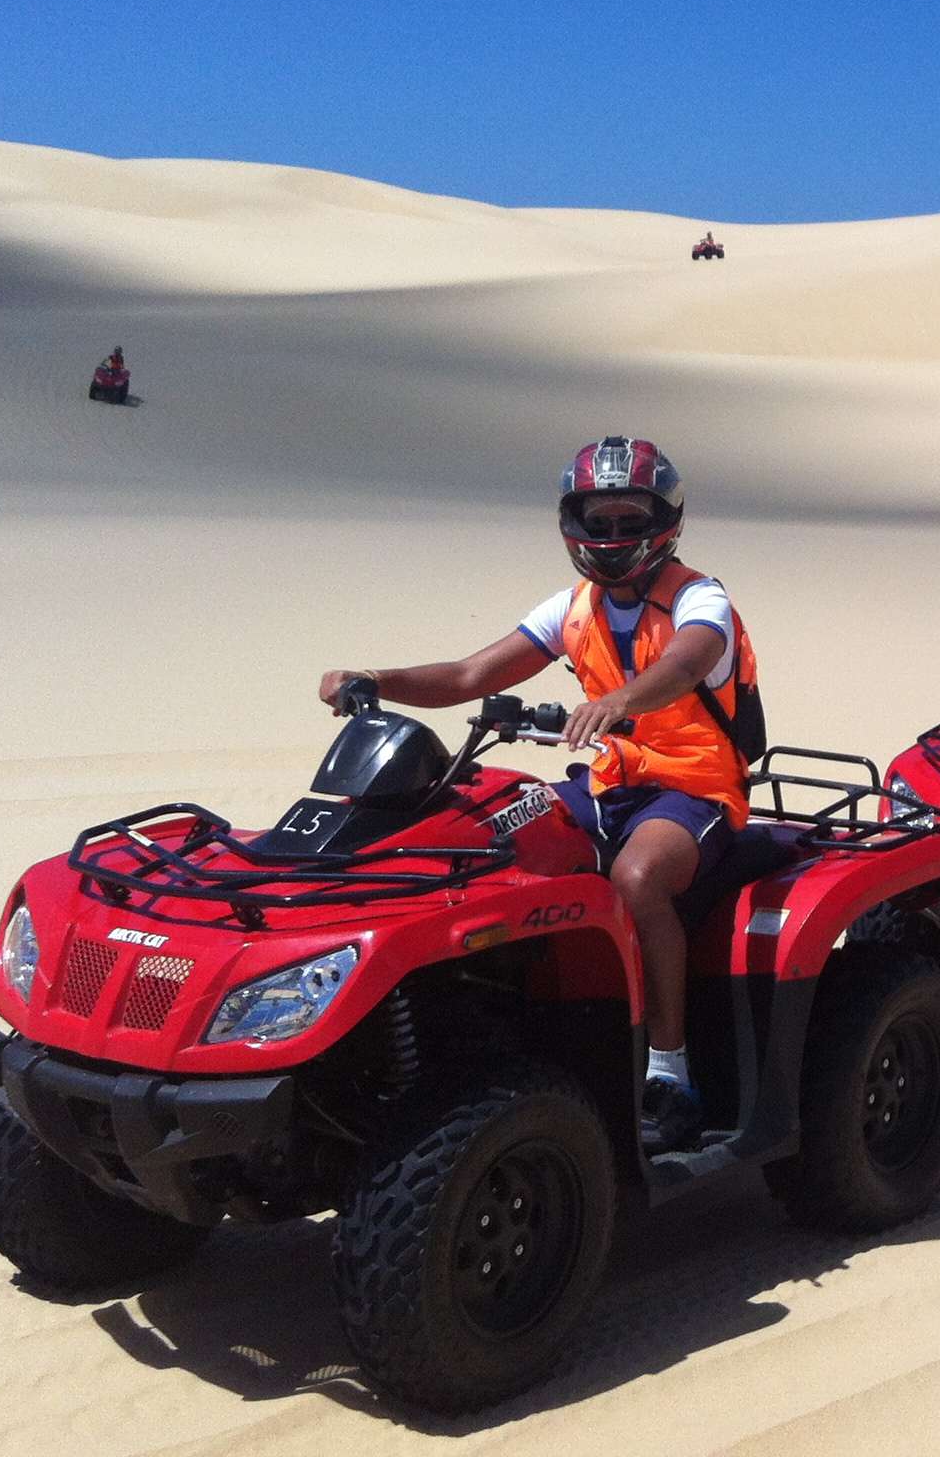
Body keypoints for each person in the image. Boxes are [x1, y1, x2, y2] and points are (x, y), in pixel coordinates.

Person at [318, 436, 759, 1153]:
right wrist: (376, 678)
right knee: (485, 839)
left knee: (638, 878)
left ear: (664, 522)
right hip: (609, 784)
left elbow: (688, 662)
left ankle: (671, 1075)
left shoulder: (698, 597)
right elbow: (470, 676)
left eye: (627, 520)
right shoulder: (573, 608)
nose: (611, 536)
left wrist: (619, 700)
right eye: (598, 520)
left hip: (695, 789)